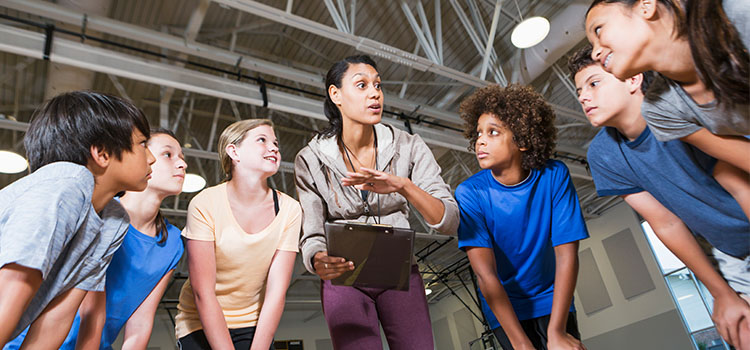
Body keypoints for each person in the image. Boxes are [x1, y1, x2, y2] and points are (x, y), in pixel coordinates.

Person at [568, 45, 750, 350]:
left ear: (632, 80)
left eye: (594, 83)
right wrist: (721, 294)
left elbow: (739, 182)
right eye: (579, 91)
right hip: (727, 250)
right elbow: (665, 223)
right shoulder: (603, 155)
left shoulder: (677, 105)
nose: (584, 97)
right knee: (741, 330)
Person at [294, 55, 458, 349]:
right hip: (344, 275)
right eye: (362, 85)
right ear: (336, 95)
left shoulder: (409, 146)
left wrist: (404, 186)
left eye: (378, 85)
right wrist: (318, 259)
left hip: (399, 270)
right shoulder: (310, 159)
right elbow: (312, 233)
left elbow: (449, 220)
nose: (375, 93)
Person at [0, 91, 154, 348]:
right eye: (142, 144)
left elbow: (57, 316)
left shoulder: (113, 221)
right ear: (102, 153)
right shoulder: (65, 185)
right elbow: (10, 287)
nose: (151, 157)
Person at [584, 0, 750, 218]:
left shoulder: (739, 14)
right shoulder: (661, 110)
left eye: (598, 29)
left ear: (646, 5)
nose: (595, 53)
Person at [455, 84, 589, 350]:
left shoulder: (554, 175)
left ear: (524, 140)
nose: (480, 140)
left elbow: (567, 256)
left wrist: (557, 331)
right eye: (479, 133)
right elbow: (486, 277)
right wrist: (521, 344)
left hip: (553, 298)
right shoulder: (470, 193)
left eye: (493, 132)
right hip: (504, 307)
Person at [175, 119, 300, 350]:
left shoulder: (290, 209)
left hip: (253, 323)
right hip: (199, 321)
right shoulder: (205, 203)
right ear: (234, 151)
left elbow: (276, 292)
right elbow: (203, 292)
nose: (273, 148)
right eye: (262, 140)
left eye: (275, 143)